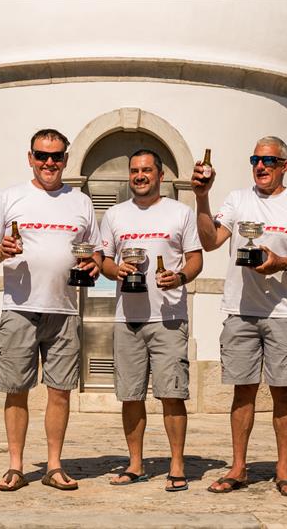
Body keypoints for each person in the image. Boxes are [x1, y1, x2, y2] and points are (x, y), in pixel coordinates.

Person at [191, 136, 287, 497]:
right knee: (243, 392)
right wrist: (202, 197)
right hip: (240, 310)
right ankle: (238, 468)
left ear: (285, 166)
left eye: (269, 161)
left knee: (284, 392)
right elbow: (210, 241)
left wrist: (282, 263)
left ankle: (283, 469)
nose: (261, 166)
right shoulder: (237, 200)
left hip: (283, 313)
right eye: (256, 159)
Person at [0, 128, 102, 492]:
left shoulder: (80, 202)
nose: (50, 162)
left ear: (66, 159)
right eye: (42, 155)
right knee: (16, 389)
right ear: (30, 157)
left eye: (57, 156)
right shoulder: (10, 198)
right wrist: (1, 250)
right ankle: (16, 466)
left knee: (60, 391)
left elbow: (93, 251)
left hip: (64, 310)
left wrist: (94, 264)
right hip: (19, 308)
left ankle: (54, 465)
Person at [100, 149, 203, 492]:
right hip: (127, 318)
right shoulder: (114, 215)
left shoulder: (181, 213)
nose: (139, 176)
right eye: (134, 170)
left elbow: (195, 259)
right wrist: (116, 270)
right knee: (130, 396)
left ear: (160, 175)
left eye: (146, 170)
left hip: (169, 318)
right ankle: (135, 464)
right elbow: (104, 261)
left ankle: (176, 465)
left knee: (172, 395)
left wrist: (181, 277)